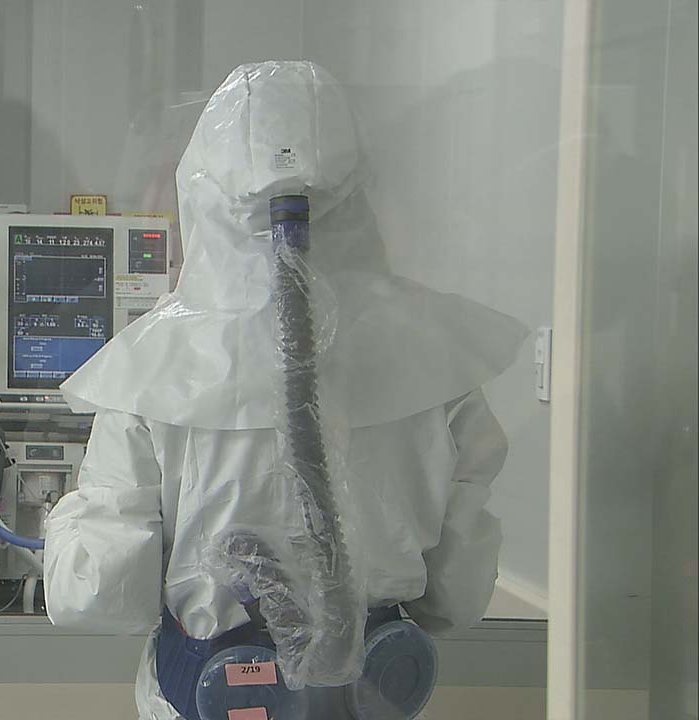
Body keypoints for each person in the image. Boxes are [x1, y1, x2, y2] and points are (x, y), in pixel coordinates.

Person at [42, 61, 527, 720]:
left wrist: (64, 525)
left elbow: (102, 595)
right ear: (356, 184)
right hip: (375, 695)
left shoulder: (155, 373)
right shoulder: (434, 364)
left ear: (204, 187)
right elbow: (456, 600)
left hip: (217, 694)